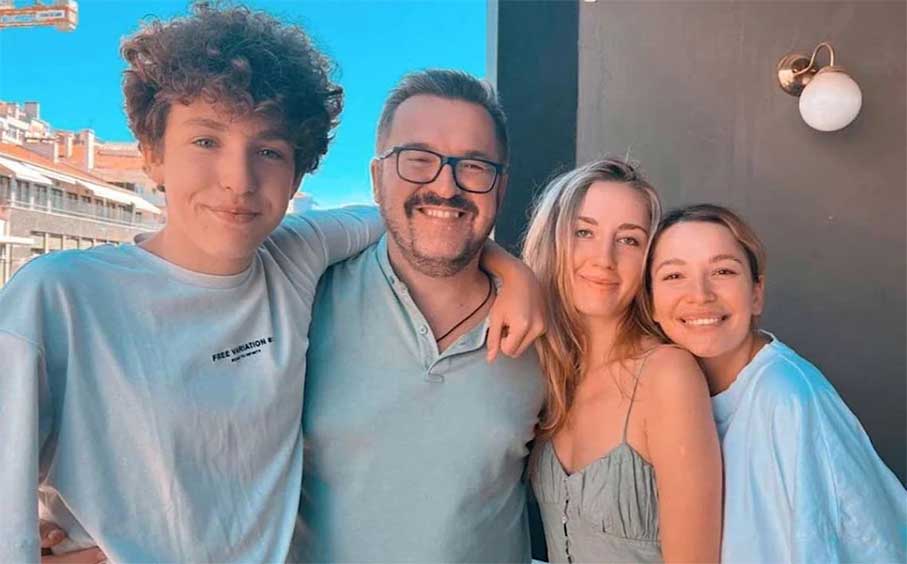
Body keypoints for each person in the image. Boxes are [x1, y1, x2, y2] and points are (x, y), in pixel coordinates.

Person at [1, 6, 540, 563]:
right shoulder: (58, 298)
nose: (238, 179)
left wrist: (513, 271)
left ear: (296, 175)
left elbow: (422, 217)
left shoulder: (293, 260)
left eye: (268, 151)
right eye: (206, 141)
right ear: (152, 156)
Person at [297, 69, 546, 562]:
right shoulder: (303, 300)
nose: (445, 186)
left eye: (473, 166)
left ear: (500, 187)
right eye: (417, 160)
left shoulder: (545, 333)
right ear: (376, 179)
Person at [645, 203, 907, 563]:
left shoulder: (787, 396)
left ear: (756, 293)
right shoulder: (667, 394)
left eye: (723, 271)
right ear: (650, 302)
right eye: (675, 275)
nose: (700, 294)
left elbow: (860, 545)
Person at [522, 159, 722, 563]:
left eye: (629, 240)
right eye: (584, 232)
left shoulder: (668, 375)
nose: (604, 259)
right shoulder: (546, 371)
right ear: (554, 240)